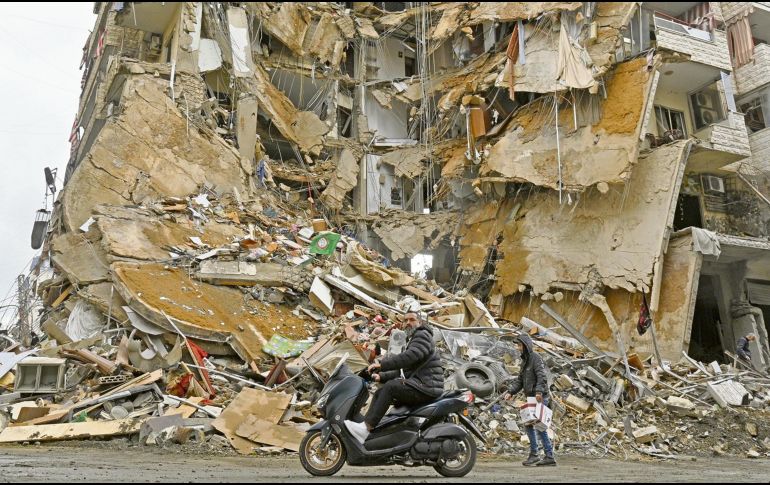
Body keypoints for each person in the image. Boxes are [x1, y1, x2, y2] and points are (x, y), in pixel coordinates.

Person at [344, 311, 444, 444]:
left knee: (391, 388)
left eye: (412, 320)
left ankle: (365, 428)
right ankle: (366, 428)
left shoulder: (422, 335)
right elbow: (404, 371)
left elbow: (408, 358)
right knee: (381, 391)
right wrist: (381, 376)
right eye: (406, 320)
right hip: (422, 383)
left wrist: (382, 364)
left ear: (420, 322)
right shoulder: (414, 338)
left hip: (427, 386)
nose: (408, 323)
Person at [501, 334, 556, 467]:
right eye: (517, 345)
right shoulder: (525, 361)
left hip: (539, 396)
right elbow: (520, 380)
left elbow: (541, 376)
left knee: (538, 425)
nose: (518, 348)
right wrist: (511, 392)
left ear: (526, 346)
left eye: (519, 345)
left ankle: (546, 456)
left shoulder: (535, 358)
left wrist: (538, 392)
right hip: (531, 397)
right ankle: (537, 455)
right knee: (530, 424)